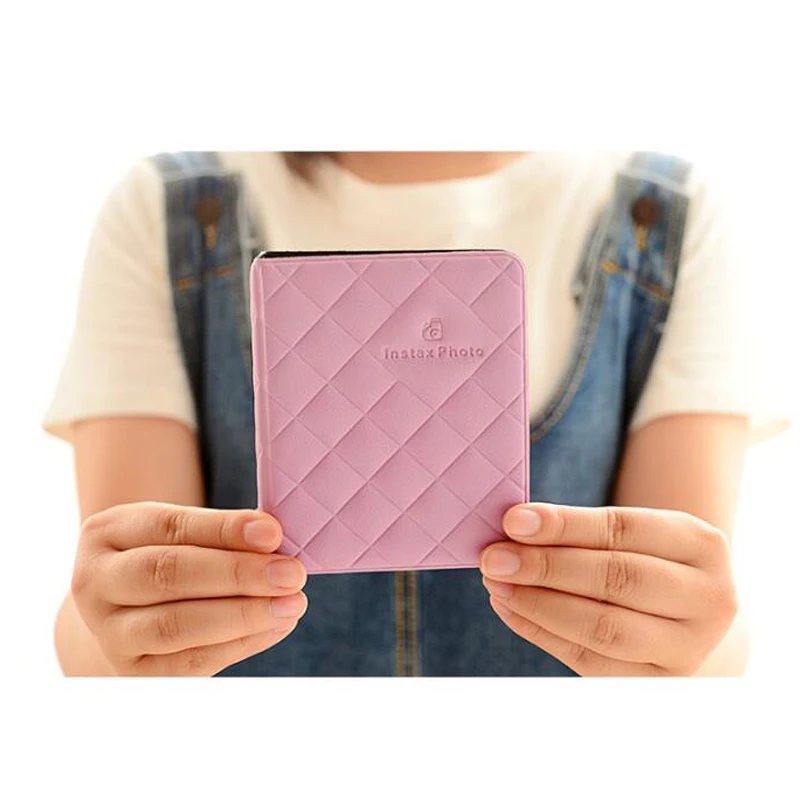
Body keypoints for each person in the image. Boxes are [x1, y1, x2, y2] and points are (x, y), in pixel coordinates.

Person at [46, 151, 752, 676]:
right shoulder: (162, 212)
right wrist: (112, 631)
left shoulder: (670, 218)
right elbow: (110, 627)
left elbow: (700, 625)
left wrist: (695, 645)